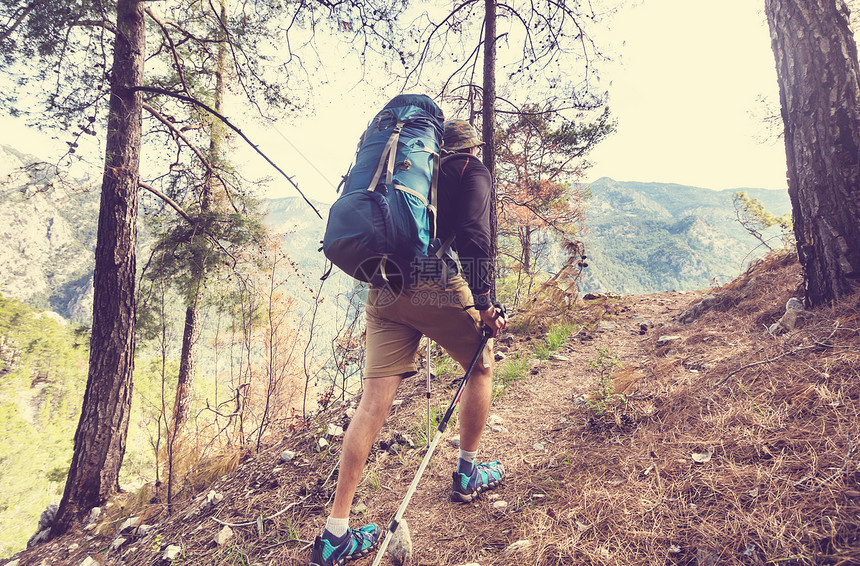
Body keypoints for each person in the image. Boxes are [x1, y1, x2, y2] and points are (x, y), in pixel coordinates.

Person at [308, 119, 507, 566]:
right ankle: (468, 471)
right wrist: (486, 303)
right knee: (481, 364)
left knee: (373, 400)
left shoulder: (404, 176)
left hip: (383, 285)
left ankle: (335, 534)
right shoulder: (469, 170)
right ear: (468, 148)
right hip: (430, 280)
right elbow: (475, 238)